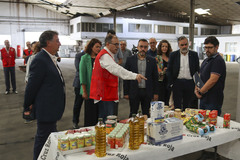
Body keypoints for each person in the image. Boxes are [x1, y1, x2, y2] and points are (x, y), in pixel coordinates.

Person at [23, 30, 65, 160]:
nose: (60, 43)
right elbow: (31, 86)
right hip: (45, 108)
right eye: (57, 40)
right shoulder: (40, 59)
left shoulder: (49, 58)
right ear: (48, 42)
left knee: (49, 137)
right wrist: (27, 106)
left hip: (51, 108)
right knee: (42, 139)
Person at [90, 34, 146, 122]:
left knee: (109, 121)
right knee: (108, 123)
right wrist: (134, 75)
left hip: (107, 94)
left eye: (118, 44)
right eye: (115, 44)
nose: (118, 47)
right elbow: (117, 70)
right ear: (108, 44)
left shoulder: (108, 55)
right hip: (105, 95)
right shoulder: (105, 56)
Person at [124, 39, 158, 118]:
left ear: (147, 47)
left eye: (145, 47)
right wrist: (126, 92)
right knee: (133, 112)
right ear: (137, 47)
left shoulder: (152, 60)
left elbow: (155, 77)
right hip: (134, 90)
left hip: (147, 91)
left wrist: (155, 93)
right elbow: (126, 77)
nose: (143, 49)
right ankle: (132, 129)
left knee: (146, 113)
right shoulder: (130, 60)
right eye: (141, 46)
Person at [195, 36, 226, 116]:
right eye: (205, 47)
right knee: (202, 121)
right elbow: (200, 77)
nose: (207, 50)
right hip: (204, 98)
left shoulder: (218, 61)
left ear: (217, 47)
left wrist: (201, 91)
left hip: (213, 99)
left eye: (210, 47)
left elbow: (213, 80)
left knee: (211, 123)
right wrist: (196, 89)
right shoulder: (206, 60)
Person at [167, 36, 199, 111]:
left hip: (190, 83)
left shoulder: (194, 55)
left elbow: (197, 70)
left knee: (188, 106)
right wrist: (171, 83)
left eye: (185, 44)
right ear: (178, 45)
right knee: (177, 106)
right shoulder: (173, 55)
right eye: (182, 45)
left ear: (188, 44)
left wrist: (197, 84)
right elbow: (169, 70)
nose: (184, 46)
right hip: (177, 83)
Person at [80, 38, 102, 126]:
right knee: (90, 114)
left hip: (99, 91)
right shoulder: (84, 58)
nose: (98, 49)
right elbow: (83, 76)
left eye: (100, 47)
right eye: (97, 47)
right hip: (89, 91)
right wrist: (84, 91)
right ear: (91, 47)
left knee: (99, 113)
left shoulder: (100, 58)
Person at [156, 40, 172, 105]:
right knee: (161, 100)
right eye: (163, 46)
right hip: (161, 82)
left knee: (168, 100)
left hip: (169, 81)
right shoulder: (157, 58)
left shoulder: (170, 57)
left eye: (166, 46)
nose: (164, 48)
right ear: (160, 47)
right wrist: (164, 71)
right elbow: (158, 71)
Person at [72, 50, 85, 129]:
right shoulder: (79, 55)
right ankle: (75, 121)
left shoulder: (95, 55)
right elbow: (78, 68)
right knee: (78, 104)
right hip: (79, 83)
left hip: (90, 84)